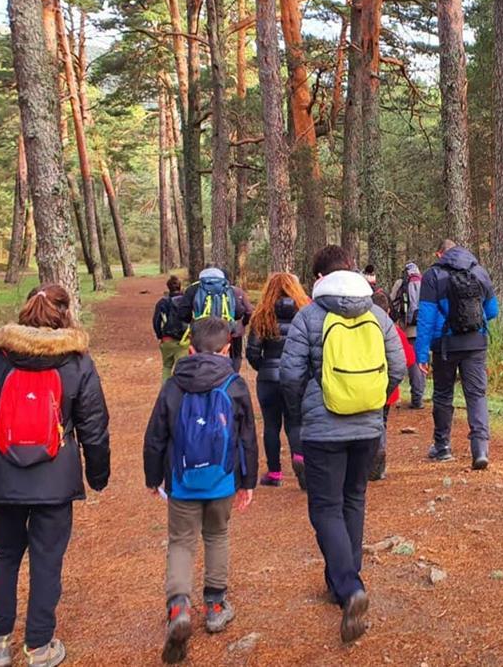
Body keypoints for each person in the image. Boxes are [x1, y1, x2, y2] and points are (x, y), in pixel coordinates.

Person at [0, 285, 110, 667]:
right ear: (65, 314)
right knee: (47, 559)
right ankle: (39, 646)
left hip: (2, 478)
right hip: (55, 479)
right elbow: (94, 426)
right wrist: (98, 475)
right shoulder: (77, 361)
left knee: (1, 555)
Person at [281, 245, 406, 643]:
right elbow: (399, 366)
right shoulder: (378, 314)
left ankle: (349, 587)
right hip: (368, 428)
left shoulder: (309, 317)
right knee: (353, 499)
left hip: (323, 430)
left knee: (325, 507)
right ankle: (346, 582)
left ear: (318, 278)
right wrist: (374, 400)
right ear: (351, 271)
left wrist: (300, 414)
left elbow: (289, 375)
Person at [144, 317, 258, 664]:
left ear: (189, 349)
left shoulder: (173, 386)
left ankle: (179, 606)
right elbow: (247, 438)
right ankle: (215, 605)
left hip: (181, 481)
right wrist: (248, 481)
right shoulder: (235, 385)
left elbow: (156, 436)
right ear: (227, 349)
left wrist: (153, 477)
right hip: (222, 480)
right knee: (217, 535)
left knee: (181, 541)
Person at [414, 239, 499, 470]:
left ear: (440, 253)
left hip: (444, 345)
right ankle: (480, 449)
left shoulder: (433, 275)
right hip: (476, 343)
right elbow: (492, 311)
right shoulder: (479, 271)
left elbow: (426, 318)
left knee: (443, 394)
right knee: (476, 394)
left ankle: (442, 447)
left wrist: (421, 355)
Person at [245, 272, 310, 488]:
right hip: (296, 378)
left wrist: (264, 368)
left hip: (268, 378)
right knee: (295, 421)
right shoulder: (304, 313)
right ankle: (300, 460)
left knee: (271, 424)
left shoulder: (262, 315)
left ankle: (274, 473)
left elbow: (253, 352)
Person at [370, 290, 415, 481]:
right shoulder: (394, 330)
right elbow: (409, 359)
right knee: (381, 423)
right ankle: (379, 465)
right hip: (388, 390)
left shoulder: (363, 327)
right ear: (388, 310)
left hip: (365, 386)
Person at [178, 267, 253, 372]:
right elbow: (239, 312)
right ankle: (226, 377)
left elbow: (182, 313)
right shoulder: (228, 289)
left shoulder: (194, 288)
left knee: (200, 357)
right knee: (223, 357)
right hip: (223, 330)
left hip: (200, 330)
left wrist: (192, 321)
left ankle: (201, 379)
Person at [388, 262, 425, 408]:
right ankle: (418, 396)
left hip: (407, 328)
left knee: (408, 362)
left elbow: (392, 302)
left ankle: (409, 397)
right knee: (420, 361)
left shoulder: (400, 283)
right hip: (422, 328)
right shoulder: (424, 282)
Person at [153, 275, 189, 381]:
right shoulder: (186, 301)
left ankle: (165, 392)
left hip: (167, 340)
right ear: (180, 286)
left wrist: (160, 336)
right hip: (184, 341)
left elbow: (156, 321)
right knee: (182, 370)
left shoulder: (162, 302)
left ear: (168, 287)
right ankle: (180, 394)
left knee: (167, 367)